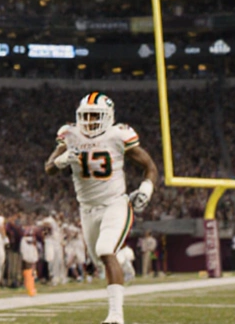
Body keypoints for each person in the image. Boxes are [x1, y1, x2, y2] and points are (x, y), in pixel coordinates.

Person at [45, 93, 160, 324]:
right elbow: (49, 168)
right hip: (87, 208)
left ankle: (116, 316)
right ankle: (125, 257)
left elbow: (149, 166)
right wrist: (61, 161)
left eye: (95, 116)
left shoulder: (118, 134)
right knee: (101, 261)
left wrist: (146, 189)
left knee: (106, 250)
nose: (89, 121)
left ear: (108, 117)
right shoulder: (69, 134)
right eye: (85, 116)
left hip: (115, 203)